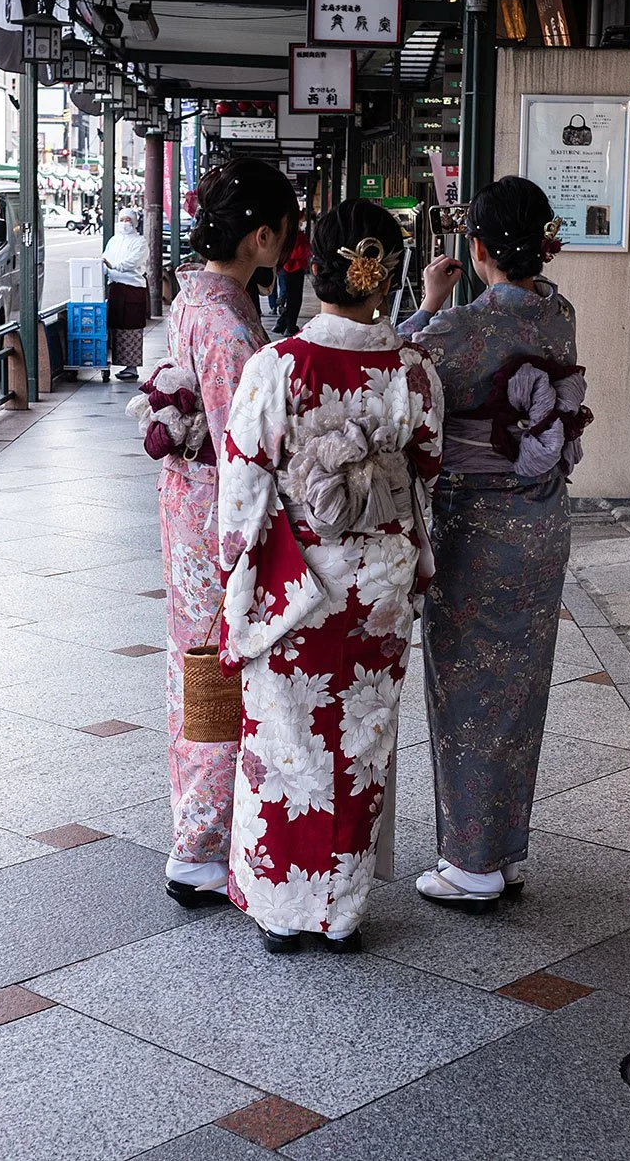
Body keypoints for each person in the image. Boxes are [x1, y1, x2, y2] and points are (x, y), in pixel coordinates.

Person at [216, 199, 444, 952]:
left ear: (315, 272)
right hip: (378, 585)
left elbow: (244, 486)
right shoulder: (412, 371)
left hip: (299, 587)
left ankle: (284, 910)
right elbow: (427, 472)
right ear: (387, 278)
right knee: (361, 739)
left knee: (287, 737)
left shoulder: (278, 366)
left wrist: (235, 569)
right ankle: (342, 913)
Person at [398, 176, 588, 911]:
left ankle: (471, 859)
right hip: (542, 522)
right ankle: (506, 850)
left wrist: (428, 299)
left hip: (476, 523)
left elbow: (396, 370)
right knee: (520, 687)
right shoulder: (558, 311)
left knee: (467, 687)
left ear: (475, 248)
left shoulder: (464, 328)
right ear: (542, 242)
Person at [126, 159, 298, 913]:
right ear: (261, 235)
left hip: (186, 504)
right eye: (285, 234)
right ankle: (196, 846)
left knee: (198, 663)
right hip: (211, 515)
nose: (289, 246)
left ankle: (204, 832)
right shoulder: (227, 319)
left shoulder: (201, 291)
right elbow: (242, 443)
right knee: (212, 666)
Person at [101, 207, 150, 381]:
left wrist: (114, 266)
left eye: (128, 220)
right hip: (116, 287)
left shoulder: (140, 242)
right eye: (122, 219)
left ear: (135, 222)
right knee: (116, 326)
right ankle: (121, 363)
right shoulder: (114, 240)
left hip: (132, 289)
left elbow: (133, 261)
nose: (124, 223)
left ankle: (132, 367)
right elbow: (104, 258)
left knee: (132, 326)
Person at [273, 215, 311, 336]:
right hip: (295, 269)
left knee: (286, 293)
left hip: (283, 268)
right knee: (294, 298)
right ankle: (290, 326)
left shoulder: (280, 234)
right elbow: (303, 252)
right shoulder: (297, 235)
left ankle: (281, 323)